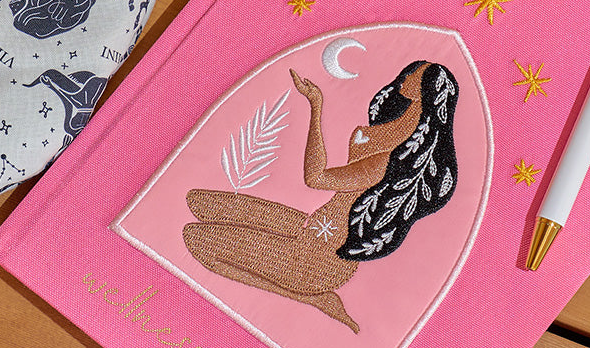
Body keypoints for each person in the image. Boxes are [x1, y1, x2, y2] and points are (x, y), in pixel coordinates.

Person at [183, 59, 459, 333]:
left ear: (426, 92)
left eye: (416, 75)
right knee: (198, 201)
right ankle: (308, 290)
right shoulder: (388, 127)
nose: (407, 76)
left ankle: (310, 296)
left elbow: (317, 178)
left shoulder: (390, 159)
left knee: (195, 239)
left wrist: (316, 107)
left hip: (321, 259)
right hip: (314, 227)